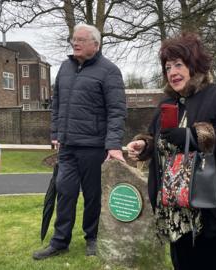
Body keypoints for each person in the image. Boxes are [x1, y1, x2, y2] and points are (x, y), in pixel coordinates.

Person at [126, 33, 216, 269]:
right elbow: (159, 138)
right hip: (179, 211)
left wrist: (194, 136)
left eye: (179, 65)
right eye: (168, 66)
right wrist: (145, 145)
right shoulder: (167, 103)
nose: (172, 72)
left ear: (194, 66)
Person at [33, 23, 126, 260]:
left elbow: (117, 110)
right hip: (67, 146)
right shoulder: (64, 68)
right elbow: (56, 105)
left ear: (96, 44)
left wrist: (113, 144)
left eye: (81, 40)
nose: (75, 43)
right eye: (73, 39)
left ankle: (92, 238)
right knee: (65, 193)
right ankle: (60, 241)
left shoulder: (109, 71)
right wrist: (55, 133)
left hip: (94, 147)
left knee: (93, 196)